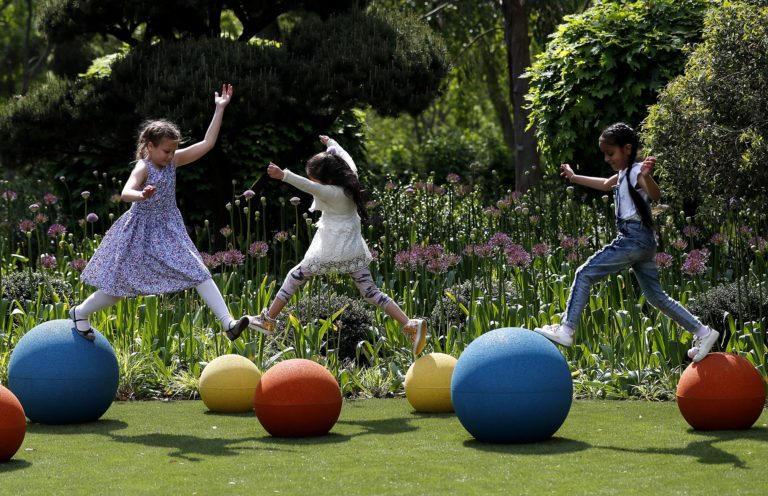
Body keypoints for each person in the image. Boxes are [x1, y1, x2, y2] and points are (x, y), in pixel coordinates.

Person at [71, 84, 254, 342]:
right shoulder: (143, 167)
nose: (170, 156)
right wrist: (141, 195)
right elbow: (126, 193)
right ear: (150, 146)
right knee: (119, 288)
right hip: (139, 231)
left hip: (168, 229)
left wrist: (219, 108)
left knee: (198, 270)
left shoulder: (174, 160)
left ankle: (228, 323)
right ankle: (79, 312)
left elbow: (208, 143)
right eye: (166, 151)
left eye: (172, 151)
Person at [534, 122, 719, 362]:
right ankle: (702, 332)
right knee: (656, 297)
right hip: (644, 243)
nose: (607, 158)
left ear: (628, 149)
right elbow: (603, 184)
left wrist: (646, 176)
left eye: (611, 153)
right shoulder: (624, 173)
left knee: (584, 273)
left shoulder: (636, 171)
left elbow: (655, 195)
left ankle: (567, 329)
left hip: (632, 240)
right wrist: (573, 177)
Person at [243, 135, 427, 355]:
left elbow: (308, 186)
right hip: (352, 246)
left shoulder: (331, 192)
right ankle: (409, 324)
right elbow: (345, 156)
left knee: (294, 277)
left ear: (327, 180)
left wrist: (284, 176)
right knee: (370, 292)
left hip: (331, 248)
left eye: (317, 179)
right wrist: (331, 143)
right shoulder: (350, 177)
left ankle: (268, 320)